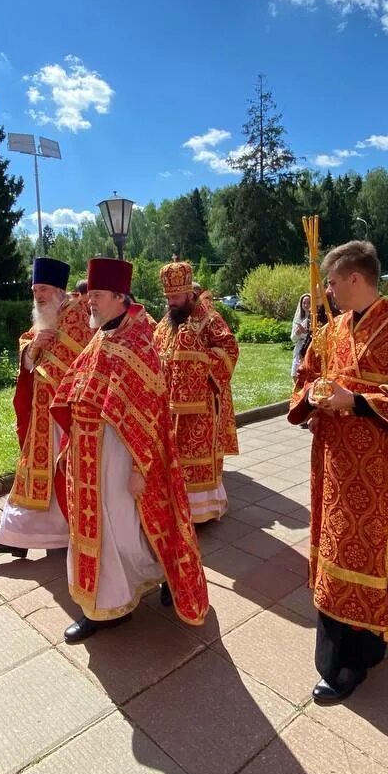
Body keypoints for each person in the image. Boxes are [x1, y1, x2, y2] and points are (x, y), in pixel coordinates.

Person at [289, 240, 388, 703]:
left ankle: (352, 659)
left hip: (378, 464)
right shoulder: (332, 329)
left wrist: (355, 401)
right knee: (335, 542)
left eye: (333, 283)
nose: (329, 291)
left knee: (367, 551)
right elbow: (309, 374)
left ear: (356, 278)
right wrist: (314, 399)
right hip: (333, 460)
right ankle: (356, 636)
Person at [51, 258, 209, 642]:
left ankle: (111, 605)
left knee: (118, 529)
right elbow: (77, 384)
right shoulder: (103, 334)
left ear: (120, 297)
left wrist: (140, 469)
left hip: (120, 457)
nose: (89, 302)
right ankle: (109, 599)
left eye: (98, 296)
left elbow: (152, 409)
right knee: (104, 529)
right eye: (89, 295)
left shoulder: (140, 340)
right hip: (88, 454)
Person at [0, 258, 91, 558]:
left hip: (68, 413)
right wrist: (34, 348)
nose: (38, 296)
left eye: (43, 289)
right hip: (41, 414)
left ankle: (63, 535)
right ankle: (14, 537)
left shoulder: (79, 314)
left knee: (64, 474)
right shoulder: (42, 317)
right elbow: (28, 355)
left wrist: (47, 356)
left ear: (58, 289)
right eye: (34, 291)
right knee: (31, 474)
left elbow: (84, 358)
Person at [154, 261, 240, 524]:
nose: (171, 302)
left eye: (176, 296)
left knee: (195, 456)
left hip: (201, 406)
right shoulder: (167, 321)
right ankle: (177, 508)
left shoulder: (210, 319)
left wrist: (197, 356)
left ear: (190, 294)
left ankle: (201, 513)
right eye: (168, 297)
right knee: (175, 457)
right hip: (169, 403)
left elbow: (230, 351)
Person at [291, 293, 312, 379]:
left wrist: (304, 333)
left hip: (309, 348)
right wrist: (297, 333)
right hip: (299, 348)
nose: (306, 305)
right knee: (295, 376)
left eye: (309, 303)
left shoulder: (315, 317)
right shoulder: (298, 319)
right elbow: (293, 338)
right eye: (304, 303)